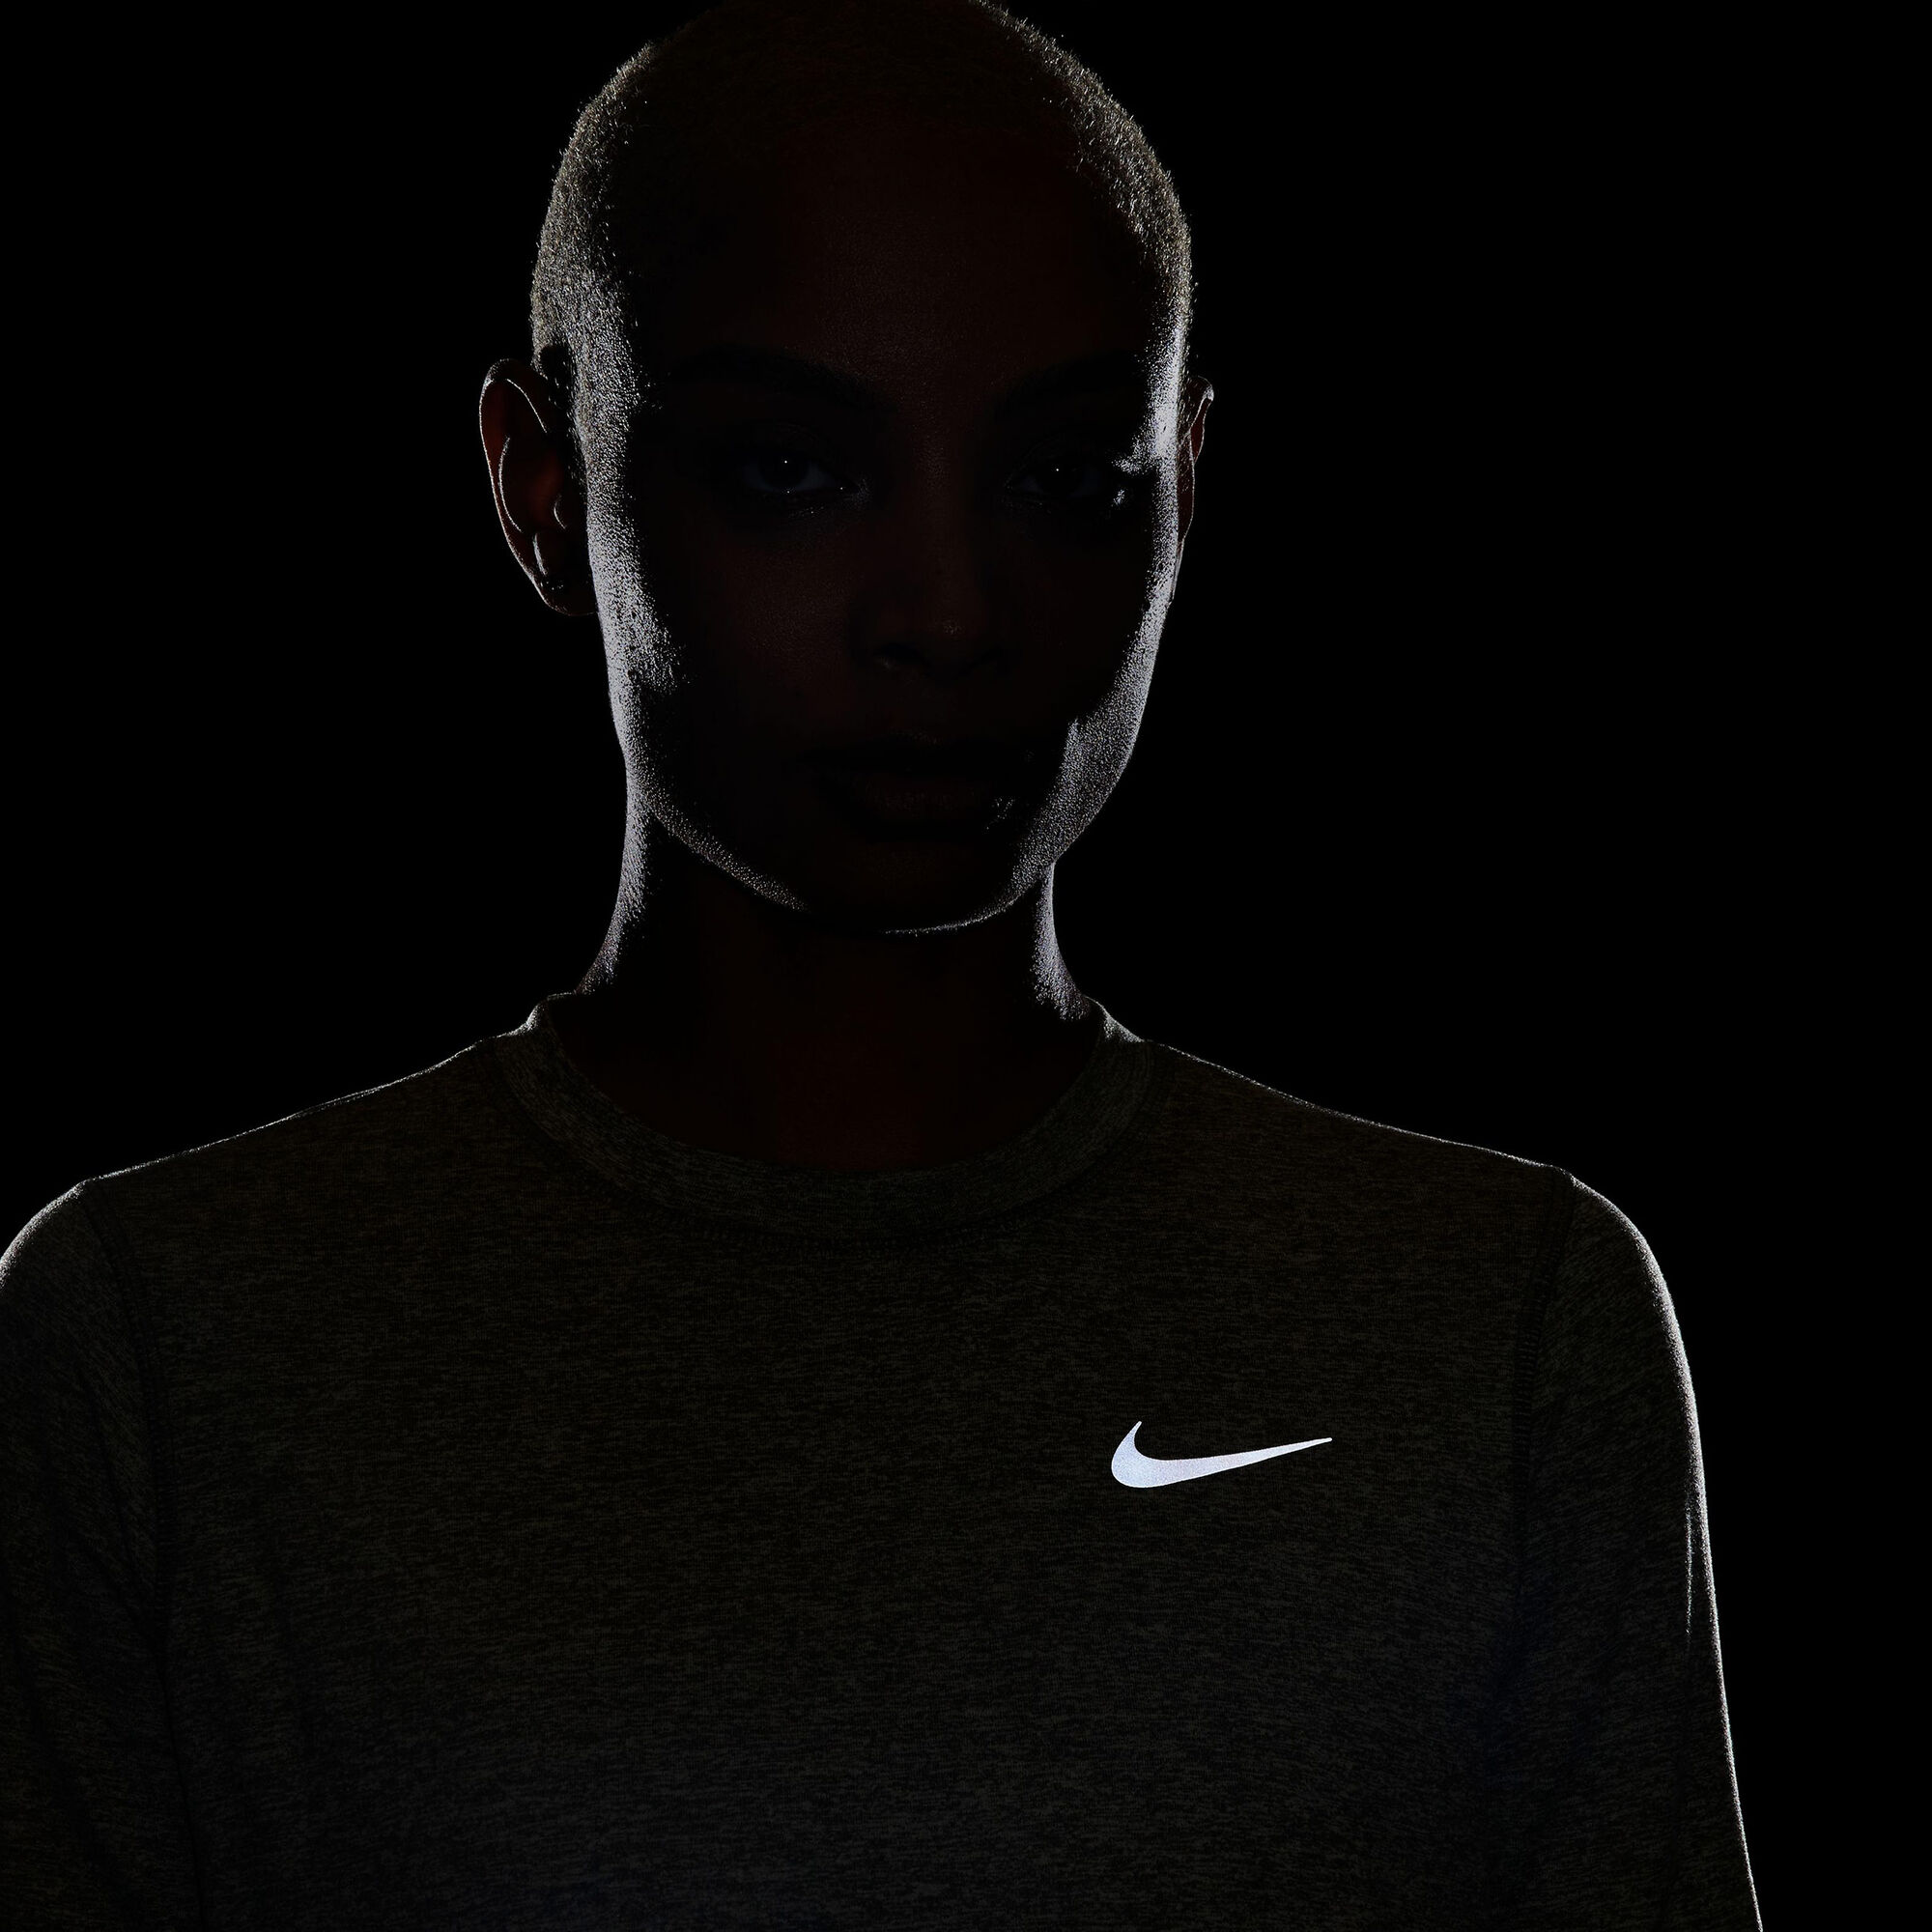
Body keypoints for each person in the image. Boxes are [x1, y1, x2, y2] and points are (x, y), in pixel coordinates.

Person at [1, 2, 1758, 1924]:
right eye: (791, 467)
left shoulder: (1493, 1328)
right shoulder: (164, 1348)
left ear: (1187, 482)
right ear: (541, 485)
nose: (947, 609)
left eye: (1067, 478)